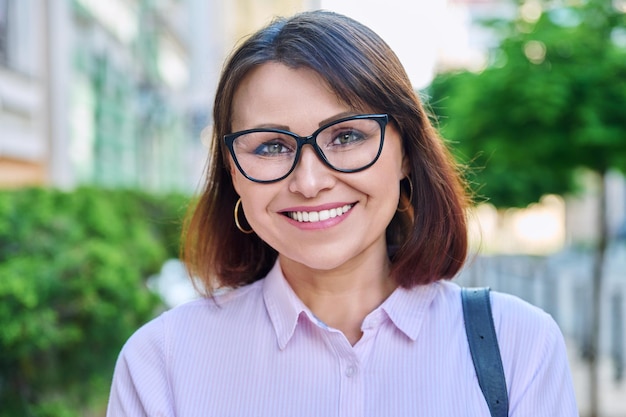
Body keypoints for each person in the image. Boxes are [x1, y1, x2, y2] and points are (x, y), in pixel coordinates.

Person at [106, 10, 578, 417]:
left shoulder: (518, 345)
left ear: (407, 152)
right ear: (234, 172)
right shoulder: (162, 362)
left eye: (347, 136)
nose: (309, 183)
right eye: (271, 146)